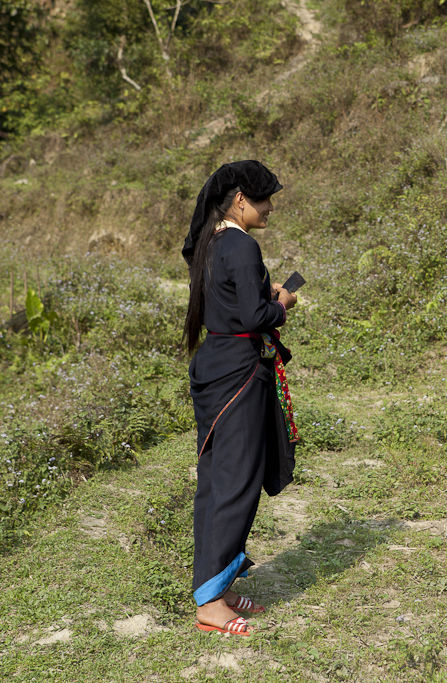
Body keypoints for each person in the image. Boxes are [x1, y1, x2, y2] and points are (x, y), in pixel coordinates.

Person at [182, 160, 299, 635]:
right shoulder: (243, 245)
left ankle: (217, 587)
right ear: (240, 202)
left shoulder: (209, 244)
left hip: (214, 367)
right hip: (240, 374)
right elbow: (254, 315)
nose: (270, 207)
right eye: (265, 198)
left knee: (215, 481)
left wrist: (259, 296)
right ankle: (210, 605)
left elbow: (230, 303)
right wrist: (283, 303)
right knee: (238, 483)